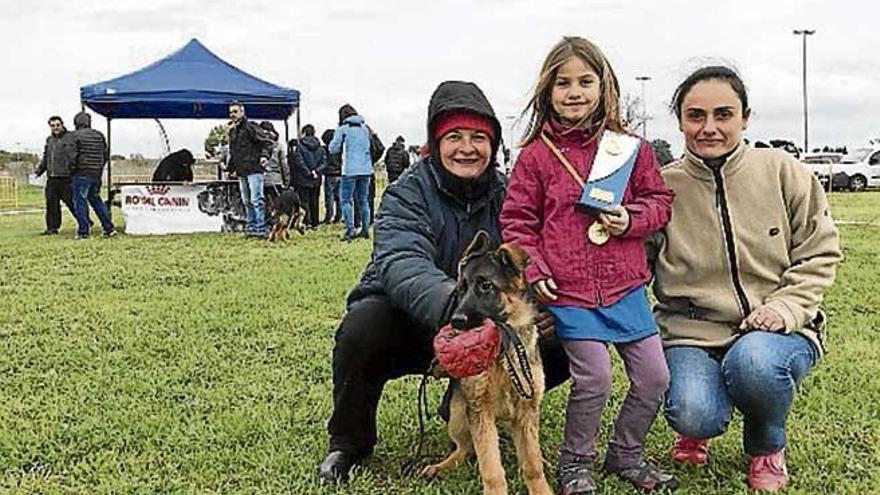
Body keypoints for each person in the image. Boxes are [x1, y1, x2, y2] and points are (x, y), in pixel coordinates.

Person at [317, 80, 571, 483]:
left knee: (561, 335)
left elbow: (540, 252)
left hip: (488, 321)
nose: (467, 148)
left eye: (478, 137)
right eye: (454, 137)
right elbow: (402, 262)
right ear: (435, 143)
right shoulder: (406, 194)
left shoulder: (511, 194)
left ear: (493, 145)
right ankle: (349, 443)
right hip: (415, 318)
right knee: (361, 329)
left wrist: (547, 309)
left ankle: (473, 404)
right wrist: (459, 312)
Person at [648, 66, 842, 492]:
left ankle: (766, 445)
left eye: (724, 114)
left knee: (753, 364)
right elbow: (633, 265)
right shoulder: (661, 188)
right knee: (695, 410)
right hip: (690, 333)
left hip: (776, 328)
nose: (710, 127)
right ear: (680, 120)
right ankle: (695, 425)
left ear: (746, 117)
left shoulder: (784, 171)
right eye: (695, 115)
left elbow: (820, 251)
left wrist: (785, 307)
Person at [501, 36, 676, 493]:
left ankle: (626, 453)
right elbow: (518, 223)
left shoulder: (630, 148)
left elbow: (659, 202)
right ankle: (575, 463)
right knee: (594, 376)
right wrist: (535, 270)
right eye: (563, 83)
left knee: (654, 377)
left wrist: (631, 219)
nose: (574, 92)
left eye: (585, 81)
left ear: (604, 86)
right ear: (547, 91)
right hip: (570, 291)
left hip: (625, 286)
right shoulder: (536, 155)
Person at [227, 101, 273, 239]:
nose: (232, 115)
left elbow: (267, 142)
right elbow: (233, 152)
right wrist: (230, 168)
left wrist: (264, 157)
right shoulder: (233, 131)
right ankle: (251, 227)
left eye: (235, 112)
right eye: (230, 113)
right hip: (241, 171)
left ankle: (260, 228)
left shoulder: (251, 127)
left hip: (254, 169)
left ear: (242, 111)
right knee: (246, 201)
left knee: (256, 200)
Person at [328, 104, 372, 241]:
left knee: (346, 200)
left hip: (349, 169)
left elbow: (333, 149)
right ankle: (365, 229)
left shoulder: (343, 129)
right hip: (366, 169)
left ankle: (350, 230)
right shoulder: (366, 129)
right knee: (363, 200)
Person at [70, 111, 116, 239]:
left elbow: (72, 156)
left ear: (76, 123)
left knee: (80, 202)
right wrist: (99, 167)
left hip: (81, 173)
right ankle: (109, 228)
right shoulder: (99, 135)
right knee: (96, 200)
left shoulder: (74, 136)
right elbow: (105, 154)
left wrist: (72, 170)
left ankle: (83, 232)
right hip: (96, 173)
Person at [34, 115, 77, 235]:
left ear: (62, 125)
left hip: (66, 177)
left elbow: (73, 156)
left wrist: (72, 170)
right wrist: (39, 171)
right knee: (51, 204)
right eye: (53, 126)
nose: (55, 128)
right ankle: (52, 228)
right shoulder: (49, 140)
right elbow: (46, 158)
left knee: (72, 203)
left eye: (57, 125)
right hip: (52, 178)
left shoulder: (70, 138)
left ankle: (85, 222)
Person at [293, 124, 325, 229]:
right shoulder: (320, 147)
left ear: (304, 133)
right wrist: (316, 171)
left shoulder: (300, 146)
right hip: (316, 178)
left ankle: (306, 222)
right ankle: (315, 223)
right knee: (314, 200)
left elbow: (299, 161)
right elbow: (324, 162)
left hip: (303, 178)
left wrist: (307, 172)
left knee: (304, 201)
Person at [258, 121, 289, 202]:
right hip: (276, 180)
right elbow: (284, 165)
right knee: (277, 206)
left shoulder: (256, 145)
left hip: (260, 180)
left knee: (261, 206)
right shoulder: (278, 146)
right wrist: (286, 182)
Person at [320, 129, 342, 224]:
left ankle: (329, 216)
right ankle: (339, 216)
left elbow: (324, 162)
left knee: (329, 197)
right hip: (340, 174)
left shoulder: (325, 149)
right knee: (340, 197)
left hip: (329, 175)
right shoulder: (340, 148)